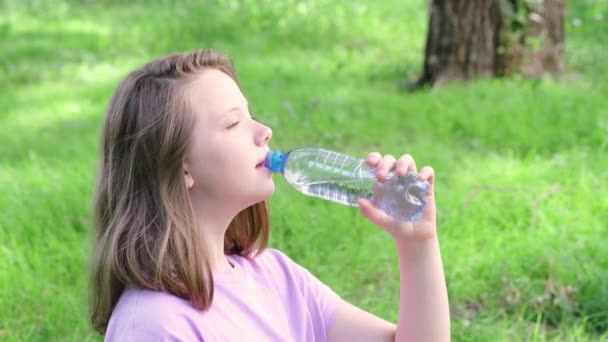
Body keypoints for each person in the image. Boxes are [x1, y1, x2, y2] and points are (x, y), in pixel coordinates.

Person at [89, 49, 450, 341]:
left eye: (251, 116)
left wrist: (418, 245)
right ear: (180, 167)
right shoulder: (154, 325)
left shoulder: (278, 278)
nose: (264, 131)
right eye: (233, 123)